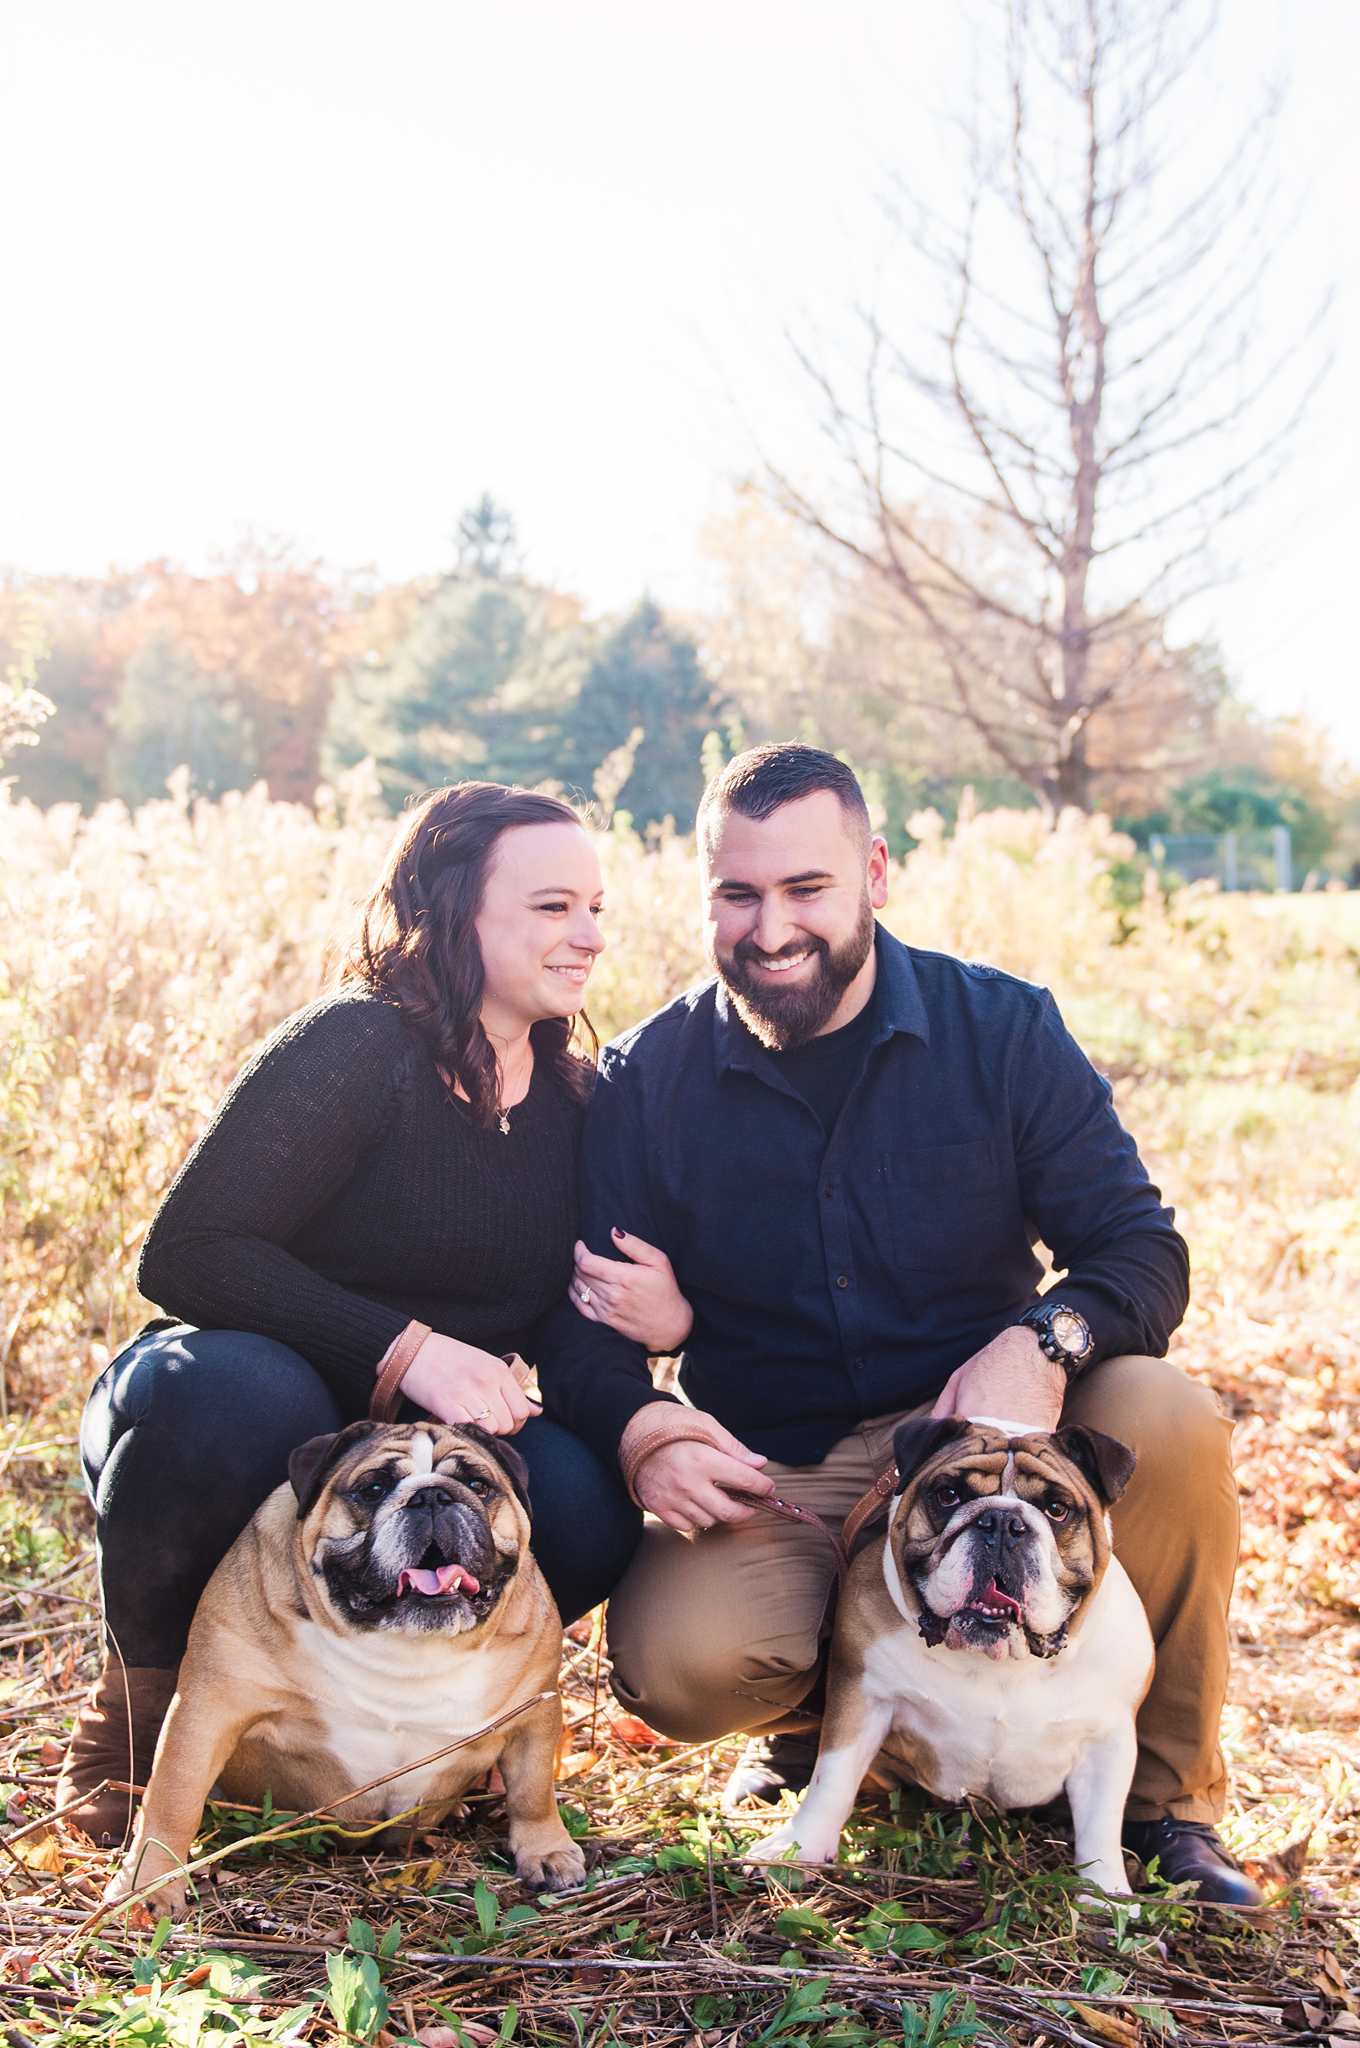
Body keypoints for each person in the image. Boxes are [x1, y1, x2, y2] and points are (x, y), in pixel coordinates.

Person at [536, 742, 1260, 1907]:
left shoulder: (1003, 1031)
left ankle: (1163, 1806)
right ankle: (849, 1741)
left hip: (991, 1435)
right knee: (677, 1663)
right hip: (778, 1466)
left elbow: (1140, 1250)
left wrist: (1046, 1341)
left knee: (1166, 1418)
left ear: (873, 871)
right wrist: (642, 1428)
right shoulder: (645, 1078)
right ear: (704, 894)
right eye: (737, 894)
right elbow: (579, 1331)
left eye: (806, 888)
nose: (770, 928)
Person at [58, 781, 647, 1846]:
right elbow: (186, 1251)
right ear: (457, 905)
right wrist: (405, 1349)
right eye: (554, 906)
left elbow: (556, 1318)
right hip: (219, 1405)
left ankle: (418, 1726)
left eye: (595, 905)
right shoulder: (357, 1047)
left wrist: (658, 1320)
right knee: (247, 1395)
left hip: (419, 1455)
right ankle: (133, 1731)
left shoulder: (574, 1099)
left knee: (584, 1502)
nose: (591, 935)